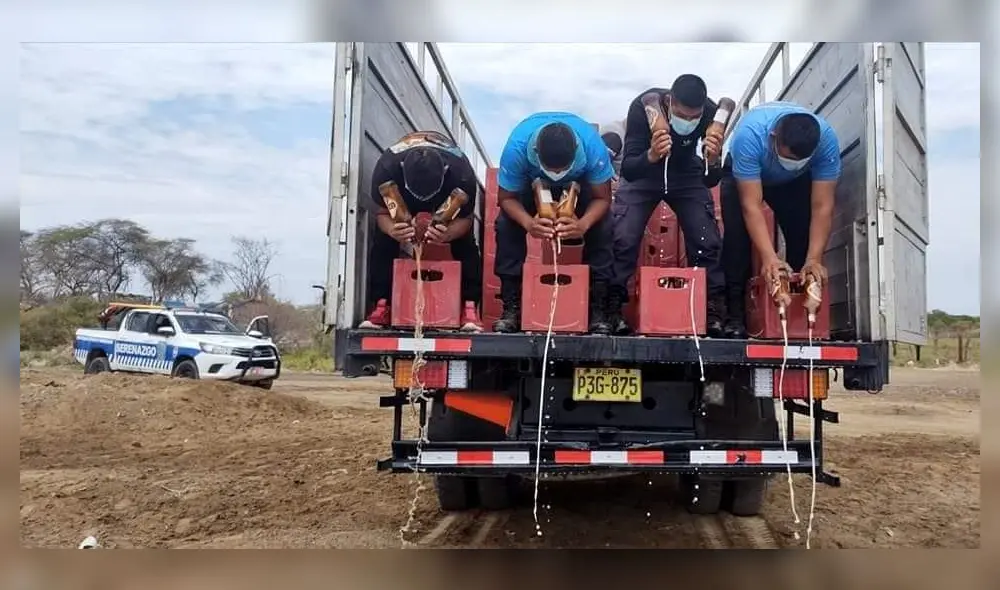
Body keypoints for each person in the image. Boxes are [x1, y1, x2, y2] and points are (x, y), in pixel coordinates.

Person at [608, 74, 727, 336]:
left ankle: (712, 309)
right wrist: (651, 155)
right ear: (670, 101)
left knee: (706, 239)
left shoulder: (710, 112)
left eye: (694, 117)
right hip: (645, 170)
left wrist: (713, 159)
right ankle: (611, 307)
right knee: (623, 236)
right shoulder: (642, 107)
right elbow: (629, 169)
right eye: (682, 115)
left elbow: (710, 180)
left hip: (686, 173)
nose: (688, 121)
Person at [719, 101, 841, 338]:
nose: (792, 163)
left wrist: (814, 259)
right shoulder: (750, 136)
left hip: (792, 183)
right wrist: (769, 258)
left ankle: (797, 317)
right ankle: (735, 317)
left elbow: (822, 206)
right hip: (744, 177)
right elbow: (751, 206)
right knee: (737, 242)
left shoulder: (826, 142)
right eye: (787, 157)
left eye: (799, 159)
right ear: (774, 137)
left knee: (803, 237)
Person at [492, 112, 616, 334]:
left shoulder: (592, 147)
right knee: (505, 224)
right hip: (531, 182)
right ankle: (511, 306)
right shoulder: (516, 148)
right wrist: (529, 223)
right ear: (536, 152)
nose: (557, 174)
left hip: (580, 184)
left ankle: (598, 308)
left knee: (604, 224)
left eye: (563, 169)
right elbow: (506, 198)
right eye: (551, 169)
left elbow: (603, 198)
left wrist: (583, 224)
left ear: (576, 151)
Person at [359, 130, 484, 332]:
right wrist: (392, 230)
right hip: (402, 195)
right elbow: (382, 213)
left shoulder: (462, 175)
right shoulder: (387, 170)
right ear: (402, 168)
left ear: (445, 170)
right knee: (384, 239)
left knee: (465, 243)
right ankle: (381, 304)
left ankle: (469, 307)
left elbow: (466, 220)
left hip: (447, 195)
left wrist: (449, 233)